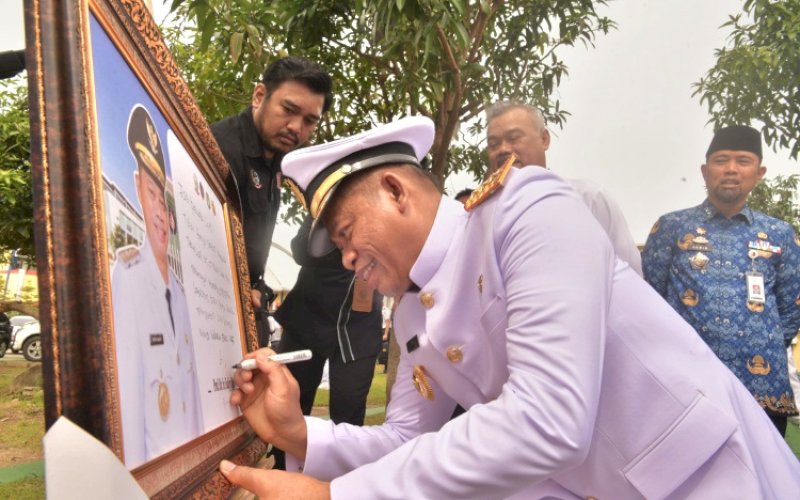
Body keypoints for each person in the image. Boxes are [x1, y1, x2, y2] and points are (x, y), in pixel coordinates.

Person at [219, 117, 800, 499]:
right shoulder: (415, 316)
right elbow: (404, 440)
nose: (346, 261)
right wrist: (301, 435)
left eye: (347, 234)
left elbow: (549, 418)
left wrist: (336, 495)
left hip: (708, 479)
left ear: (396, 191)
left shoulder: (526, 209)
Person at [642, 125, 800, 436]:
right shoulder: (672, 227)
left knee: (762, 481)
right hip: (687, 386)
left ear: (759, 172)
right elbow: (650, 301)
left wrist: (754, 343)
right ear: (704, 171)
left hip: (761, 387)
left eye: (743, 161)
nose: (730, 169)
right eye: (721, 160)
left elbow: (791, 308)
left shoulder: (780, 234)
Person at [210, 56, 333, 346]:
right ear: (259, 95)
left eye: (309, 121)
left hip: (246, 307)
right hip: (215, 313)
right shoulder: (219, 150)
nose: (295, 127)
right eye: (288, 110)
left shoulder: (278, 162)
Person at [111, 104, 203, 468]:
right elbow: (129, 401)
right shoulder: (129, 278)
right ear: (136, 188)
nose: (161, 214)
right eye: (151, 194)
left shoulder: (179, 293)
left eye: (163, 199)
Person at [269, 216, 382, 469]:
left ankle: (341, 484)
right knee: (290, 403)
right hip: (307, 318)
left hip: (359, 331)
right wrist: (333, 223)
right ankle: (281, 476)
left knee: (349, 415)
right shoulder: (327, 203)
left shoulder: (389, 210)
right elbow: (302, 251)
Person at [485, 100, 643, 275]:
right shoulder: (485, 216)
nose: (503, 149)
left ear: (544, 139)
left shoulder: (588, 198)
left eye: (514, 138)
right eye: (493, 145)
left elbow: (630, 272)